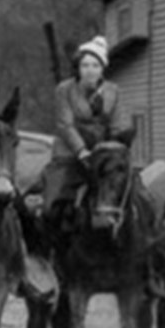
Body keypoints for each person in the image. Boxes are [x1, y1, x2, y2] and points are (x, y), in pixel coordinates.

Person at [40, 36, 127, 235]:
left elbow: (117, 124)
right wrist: (81, 151)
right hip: (70, 153)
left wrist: (112, 148)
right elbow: (65, 124)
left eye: (95, 65)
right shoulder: (65, 89)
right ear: (78, 68)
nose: (90, 70)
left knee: (131, 189)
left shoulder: (113, 91)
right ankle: (53, 245)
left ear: (102, 68)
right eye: (85, 65)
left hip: (102, 153)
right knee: (53, 203)